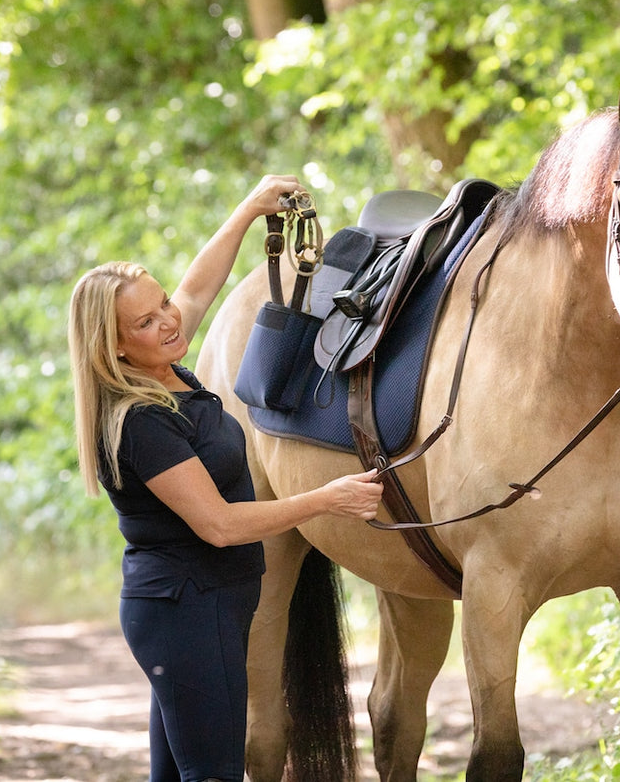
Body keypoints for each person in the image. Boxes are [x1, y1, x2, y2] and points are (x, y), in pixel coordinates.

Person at [67, 174, 383, 782]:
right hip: (189, 610)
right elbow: (218, 524)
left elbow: (194, 287)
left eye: (160, 304)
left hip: (199, 607)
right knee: (213, 773)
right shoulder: (140, 421)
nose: (167, 320)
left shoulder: (162, 364)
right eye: (145, 321)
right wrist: (324, 499)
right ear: (115, 348)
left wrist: (246, 211)